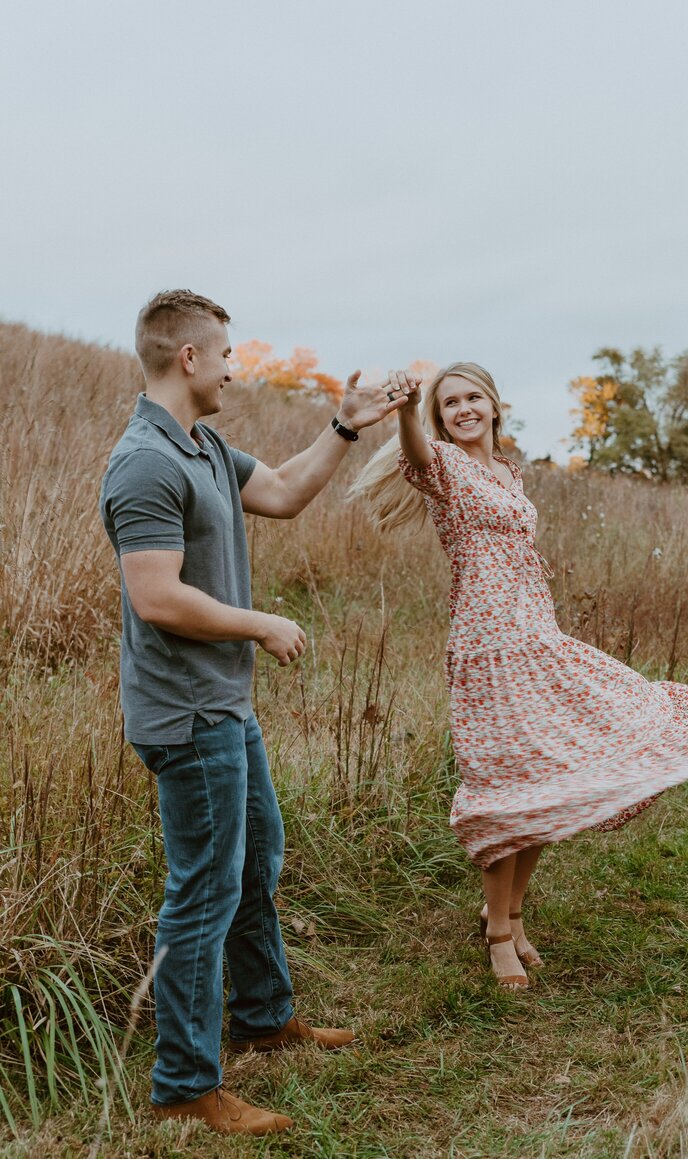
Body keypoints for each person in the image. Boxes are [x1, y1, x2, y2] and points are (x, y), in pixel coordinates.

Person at [100, 289, 406, 1136]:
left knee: (256, 860)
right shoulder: (144, 462)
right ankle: (186, 1083)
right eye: (226, 353)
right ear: (189, 358)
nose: (236, 366)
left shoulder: (203, 445)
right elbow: (157, 597)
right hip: (187, 714)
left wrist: (345, 427)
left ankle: (265, 1020)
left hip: (226, 703)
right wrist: (262, 622)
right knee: (203, 890)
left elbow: (284, 491)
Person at [351, 362, 688, 992]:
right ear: (438, 415)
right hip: (488, 646)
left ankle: (507, 913)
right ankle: (496, 939)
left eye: (472, 397)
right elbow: (416, 456)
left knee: (546, 779)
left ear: (493, 404)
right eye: (449, 401)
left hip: (536, 637)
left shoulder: (508, 471)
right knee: (508, 783)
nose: (462, 409)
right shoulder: (441, 464)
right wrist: (406, 413)